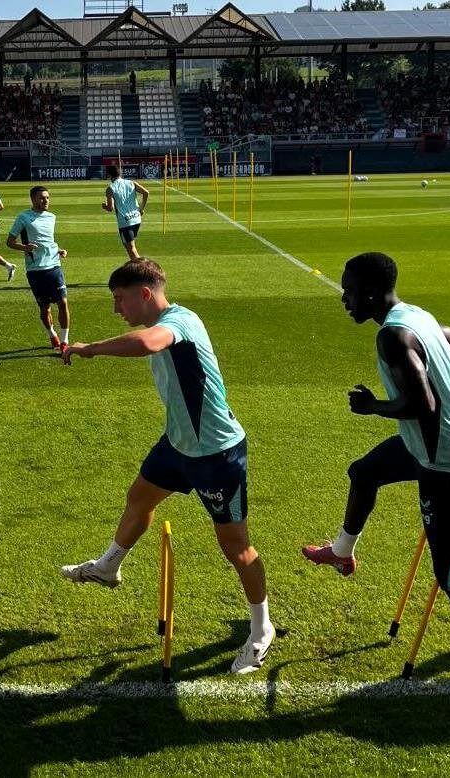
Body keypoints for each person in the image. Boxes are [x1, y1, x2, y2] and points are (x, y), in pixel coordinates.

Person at [301, 251, 450, 718]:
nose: (344, 299)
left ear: (373, 294)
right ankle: (342, 551)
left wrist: (374, 407)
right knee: (364, 472)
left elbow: (424, 406)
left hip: (446, 462)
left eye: (350, 291)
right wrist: (433, 364)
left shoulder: (393, 336)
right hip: (434, 448)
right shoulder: (413, 316)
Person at [60, 258, 273, 674]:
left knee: (235, 546)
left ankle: (261, 631)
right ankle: (108, 567)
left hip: (216, 453)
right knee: (139, 498)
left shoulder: (179, 322)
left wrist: (91, 349)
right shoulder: (167, 321)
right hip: (178, 445)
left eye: (120, 300)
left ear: (145, 294)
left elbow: (149, 343)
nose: (116, 309)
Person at [6, 186, 70, 351]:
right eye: (42, 198)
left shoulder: (52, 217)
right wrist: (25, 247)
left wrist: (59, 250)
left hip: (54, 266)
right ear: (33, 199)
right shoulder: (23, 217)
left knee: (63, 302)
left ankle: (64, 341)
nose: (46, 200)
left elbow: (48, 241)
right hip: (35, 270)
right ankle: (51, 334)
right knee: (44, 308)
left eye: (47, 197)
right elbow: (10, 242)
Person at [103, 164, 149, 261]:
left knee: (132, 250)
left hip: (125, 222)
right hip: (136, 219)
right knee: (131, 248)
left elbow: (110, 208)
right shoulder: (131, 182)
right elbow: (146, 192)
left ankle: (143, 270)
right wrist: (141, 208)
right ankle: (137, 268)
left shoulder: (110, 188)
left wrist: (104, 206)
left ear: (109, 175)